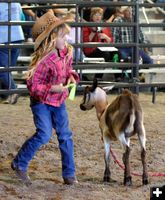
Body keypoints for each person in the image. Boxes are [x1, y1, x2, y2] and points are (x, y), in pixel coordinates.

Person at [11, 9, 79, 185]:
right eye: (63, 36)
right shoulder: (43, 61)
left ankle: (69, 174)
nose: (67, 40)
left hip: (59, 101)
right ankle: (19, 163)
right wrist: (51, 88)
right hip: (41, 102)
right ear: (51, 39)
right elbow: (32, 86)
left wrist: (71, 76)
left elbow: (68, 70)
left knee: (65, 135)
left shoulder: (67, 53)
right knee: (44, 134)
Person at [0, 2, 24, 104]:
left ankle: (13, 90)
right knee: (9, 68)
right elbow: (22, 18)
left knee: (4, 69)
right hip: (18, 36)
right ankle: (6, 95)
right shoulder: (17, 3)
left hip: (3, 38)